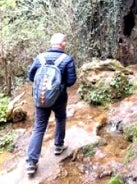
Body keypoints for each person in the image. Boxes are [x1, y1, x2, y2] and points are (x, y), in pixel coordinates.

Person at [26, 33, 77, 175]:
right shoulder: (67, 59)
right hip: (59, 98)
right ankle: (58, 146)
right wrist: (58, 86)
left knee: (39, 127)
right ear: (63, 44)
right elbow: (72, 81)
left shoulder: (40, 58)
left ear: (51, 44)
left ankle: (31, 162)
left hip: (40, 97)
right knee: (60, 118)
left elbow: (31, 76)